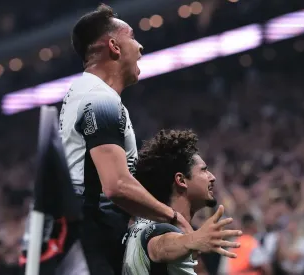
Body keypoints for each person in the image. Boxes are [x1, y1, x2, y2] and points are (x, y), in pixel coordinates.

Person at [57, 4, 230, 275]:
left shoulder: (82, 95)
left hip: (84, 237)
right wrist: (175, 218)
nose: (140, 47)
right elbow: (116, 185)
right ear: (114, 46)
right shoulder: (98, 99)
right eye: (133, 37)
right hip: (90, 240)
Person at [122, 129, 242, 274]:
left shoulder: (142, 225)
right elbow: (159, 248)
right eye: (204, 170)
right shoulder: (159, 229)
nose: (212, 177)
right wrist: (191, 241)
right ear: (181, 180)